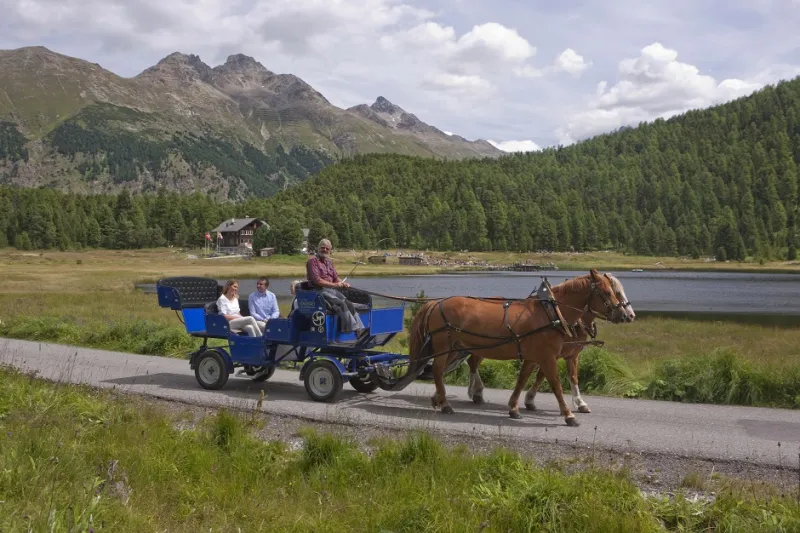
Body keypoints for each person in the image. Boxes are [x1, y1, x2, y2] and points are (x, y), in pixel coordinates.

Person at [305, 238, 365, 334]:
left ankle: (361, 328)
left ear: (330, 250)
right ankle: (356, 329)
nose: (324, 250)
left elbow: (335, 277)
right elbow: (317, 280)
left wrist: (342, 283)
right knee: (339, 303)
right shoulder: (312, 261)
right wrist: (334, 285)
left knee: (348, 303)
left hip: (330, 290)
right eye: (322, 247)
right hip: (317, 291)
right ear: (318, 248)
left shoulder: (329, 262)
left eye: (327, 248)